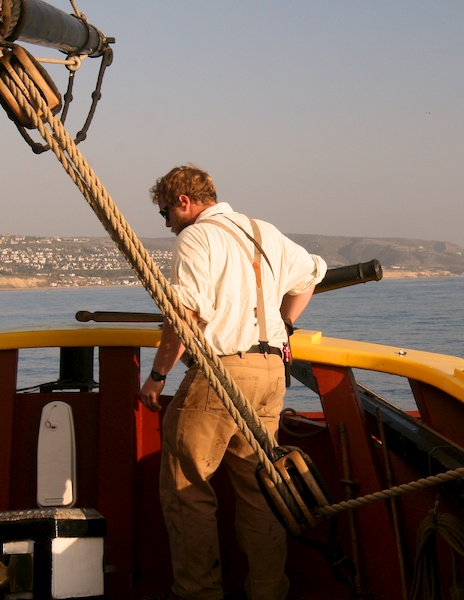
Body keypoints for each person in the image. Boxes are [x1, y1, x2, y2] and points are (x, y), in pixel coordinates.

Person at [138, 164, 327, 600]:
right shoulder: (265, 232)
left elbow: (186, 314)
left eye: (166, 212)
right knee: (262, 490)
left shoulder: (196, 238)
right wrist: (285, 324)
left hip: (223, 373)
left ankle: (198, 592)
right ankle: (269, 592)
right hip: (271, 373)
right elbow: (312, 275)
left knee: (187, 490)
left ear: (184, 201)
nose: (167, 224)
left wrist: (157, 375)